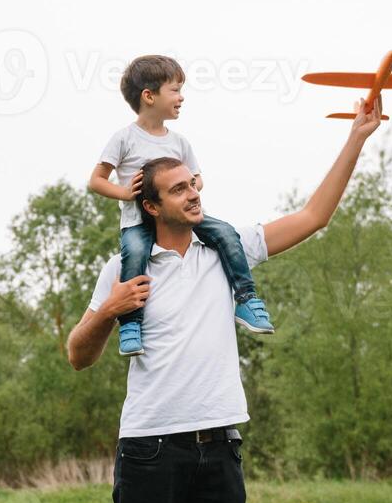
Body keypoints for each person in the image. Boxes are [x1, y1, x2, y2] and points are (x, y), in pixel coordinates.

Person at [68, 95, 385, 503]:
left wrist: (356, 137)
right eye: (179, 188)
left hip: (220, 451)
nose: (194, 192)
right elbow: (76, 355)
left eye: (195, 182)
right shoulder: (123, 267)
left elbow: (314, 216)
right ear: (148, 205)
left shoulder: (225, 248)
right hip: (150, 454)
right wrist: (108, 310)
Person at [87, 54, 274, 358]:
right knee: (133, 257)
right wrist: (124, 193)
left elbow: (197, 179)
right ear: (149, 96)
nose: (181, 97)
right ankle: (132, 324)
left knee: (227, 234)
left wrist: (186, 188)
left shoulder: (179, 142)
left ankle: (246, 299)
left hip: (180, 217)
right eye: (174, 90)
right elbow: (96, 180)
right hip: (138, 221)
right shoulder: (124, 138)